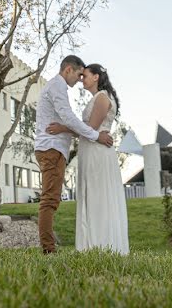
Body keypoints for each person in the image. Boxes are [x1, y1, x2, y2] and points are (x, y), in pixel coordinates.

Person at [34, 55, 113, 254]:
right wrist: (96, 136)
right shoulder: (57, 87)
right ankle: (48, 250)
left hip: (54, 149)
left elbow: (67, 121)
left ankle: (49, 247)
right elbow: (68, 117)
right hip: (51, 149)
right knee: (50, 199)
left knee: (52, 198)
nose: (79, 80)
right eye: (79, 74)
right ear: (68, 69)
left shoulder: (57, 87)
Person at [47, 63, 129, 255]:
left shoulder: (101, 98)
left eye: (85, 76)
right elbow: (89, 130)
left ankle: (101, 244)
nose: (81, 79)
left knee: (98, 195)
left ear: (96, 77)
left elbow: (90, 128)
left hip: (97, 152)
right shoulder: (98, 98)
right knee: (92, 194)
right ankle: (93, 245)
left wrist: (62, 128)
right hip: (92, 149)